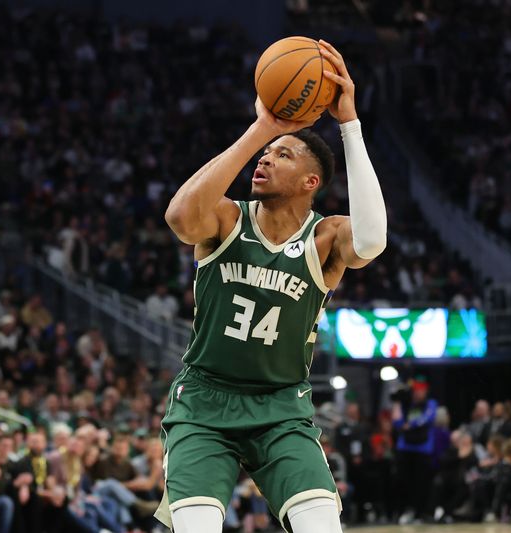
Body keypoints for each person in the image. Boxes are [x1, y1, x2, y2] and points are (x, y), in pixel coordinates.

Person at [158, 39, 387, 533]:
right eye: (263, 155)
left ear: (310, 182)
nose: (263, 161)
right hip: (204, 403)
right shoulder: (225, 219)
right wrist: (265, 127)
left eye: (281, 155)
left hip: (282, 406)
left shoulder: (324, 237)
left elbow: (372, 241)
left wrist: (349, 123)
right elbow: (178, 217)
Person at [392, 377, 437, 524]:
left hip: (423, 449)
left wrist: (410, 425)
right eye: (416, 391)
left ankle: (420, 513)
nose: (418, 394)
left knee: (421, 483)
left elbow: (427, 418)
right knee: (403, 482)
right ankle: (404, 511)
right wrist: (398, 401)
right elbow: (397, 422)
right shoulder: (407, 404)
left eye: (421, 390)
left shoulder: (430, 404)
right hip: (405, 448)